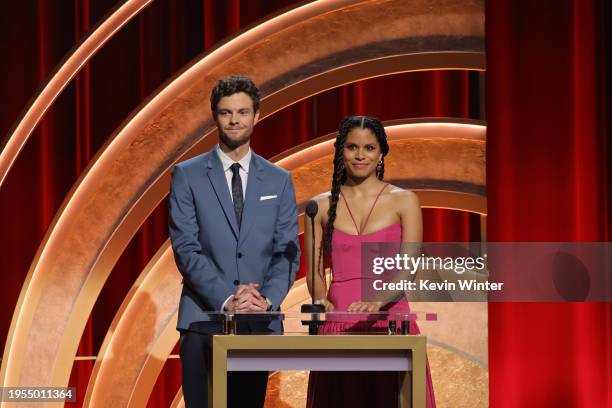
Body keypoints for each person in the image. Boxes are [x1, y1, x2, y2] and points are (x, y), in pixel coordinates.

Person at [168, 76, 299, 408]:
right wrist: (227, 299)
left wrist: (266, 300)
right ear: (215, 116)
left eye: (242, 112)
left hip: (257, 322)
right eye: (226, 113)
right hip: (203, 320)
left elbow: (287, 251)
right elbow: (186, 248)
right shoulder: (187, 174)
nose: (235, 120)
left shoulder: (278, 179)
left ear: (257, 115)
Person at [305, 115, 436, 407]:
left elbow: (408, 269)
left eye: (369, 147)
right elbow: (314, 271)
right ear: (341, 151)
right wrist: (318, 297)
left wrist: (377, 302)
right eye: (352, 147)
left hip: (390, 323)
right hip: (339, 325)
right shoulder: (321, 205)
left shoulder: (405, 201)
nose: (360, 155)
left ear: (381, 153)